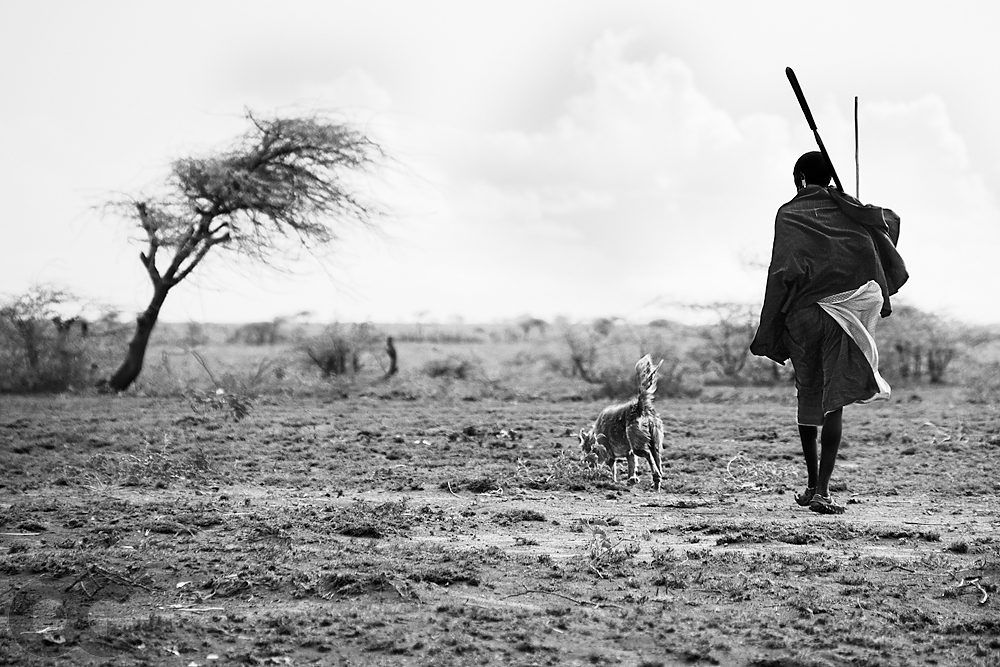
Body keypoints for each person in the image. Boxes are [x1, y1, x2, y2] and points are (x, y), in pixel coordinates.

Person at [750, 151, 908, 514]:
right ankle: (822, 491)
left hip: (803, 317)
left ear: (802, 179)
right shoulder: (849, 212)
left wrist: (770, 323)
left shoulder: (788, 214)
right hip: (842, 315)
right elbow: (882, 233)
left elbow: (782, 272)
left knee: (809, 392)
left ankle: (809, 485)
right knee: (833, 400)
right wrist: (851, 207)